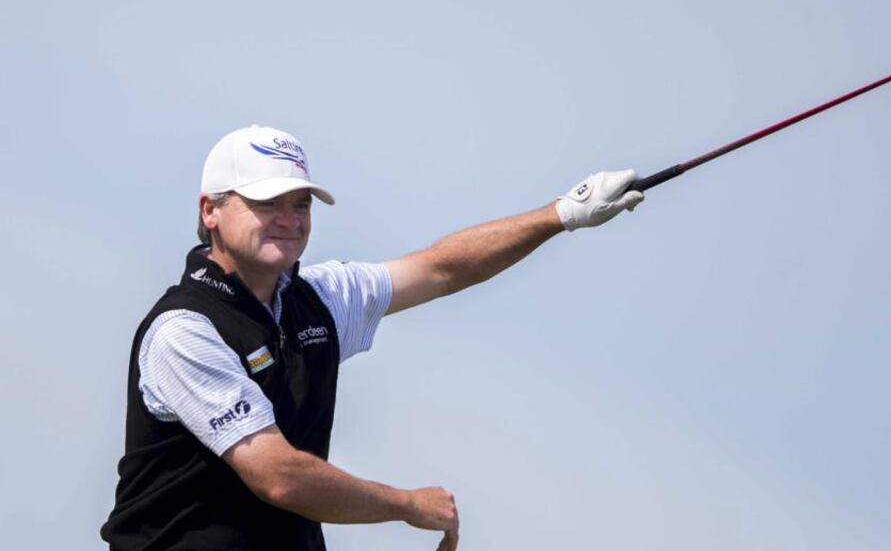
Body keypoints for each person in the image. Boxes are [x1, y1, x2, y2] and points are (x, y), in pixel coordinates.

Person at [101, 125, 644, 550]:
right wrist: (406, 504)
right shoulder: (184, 330)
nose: (289, 219)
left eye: (301, 203)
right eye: (266, 202)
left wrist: (562, 214)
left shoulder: (320, 297)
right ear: (211, 210)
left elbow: (442, 268)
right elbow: (278, 476)